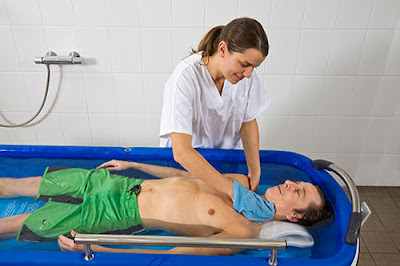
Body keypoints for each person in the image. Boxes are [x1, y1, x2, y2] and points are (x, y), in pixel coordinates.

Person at [0, 160, 332, 256]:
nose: (289, 184)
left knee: (13, 225)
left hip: (117, 216)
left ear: (294, 216)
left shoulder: (244, 232)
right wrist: (133, 164)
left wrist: (102, 246)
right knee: (22, 184)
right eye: (294, 183)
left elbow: (174, 249)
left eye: (298, 191)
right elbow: (185, 176)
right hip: (116, 184)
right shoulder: (241, 184)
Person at [160, 17, 270, 192]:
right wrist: (232, 191)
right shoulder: (185, 77)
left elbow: (248, 121)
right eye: (245, 64)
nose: (249, 74)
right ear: (222, 49)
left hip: (224, 161)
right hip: (184, 166)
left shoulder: (245, 77)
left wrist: (255, 171)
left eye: (254, 68)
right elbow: (181, 151)